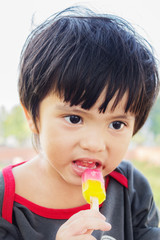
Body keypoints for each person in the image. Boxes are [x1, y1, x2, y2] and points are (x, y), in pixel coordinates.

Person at [0, 6, 159, 240]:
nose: (95, 144)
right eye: (74, 119)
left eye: (116, 125)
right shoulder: (5, 199)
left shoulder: (131, 188)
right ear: (32, 117)